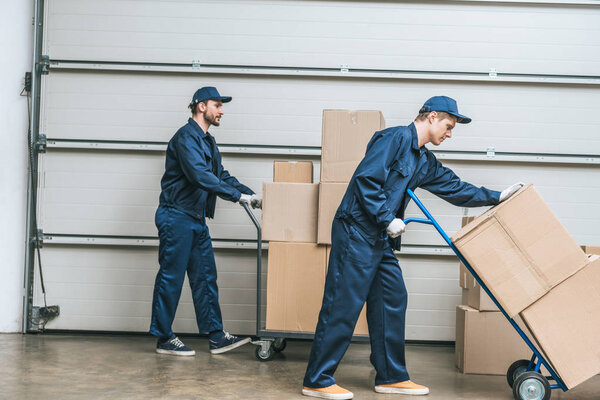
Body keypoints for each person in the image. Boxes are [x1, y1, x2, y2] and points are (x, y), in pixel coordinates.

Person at [302, 96, 523, 399]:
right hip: (356, 231)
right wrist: (386, 217)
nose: (450, 133)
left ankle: (391, 376)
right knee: (343, 304)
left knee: (392, 298)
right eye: (449, 125)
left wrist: (496, 196)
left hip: (379, 238)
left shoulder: (423, 160)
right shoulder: (392, 139)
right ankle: (317, 379)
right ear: (432, 117)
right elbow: (366, 180)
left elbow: (454, 187)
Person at [149, 86, 262, 356]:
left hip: (196, 219)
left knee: (205, 277)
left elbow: (220, 175)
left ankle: (215, 335)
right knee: (171, 278)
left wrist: (249, 194)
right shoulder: (185, 138)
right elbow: (200, 176)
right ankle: (164, 337)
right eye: (217, 105)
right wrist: (236, 197)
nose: (222, 110)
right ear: (202, 106)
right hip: (175, 216)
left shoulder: (207, 141)